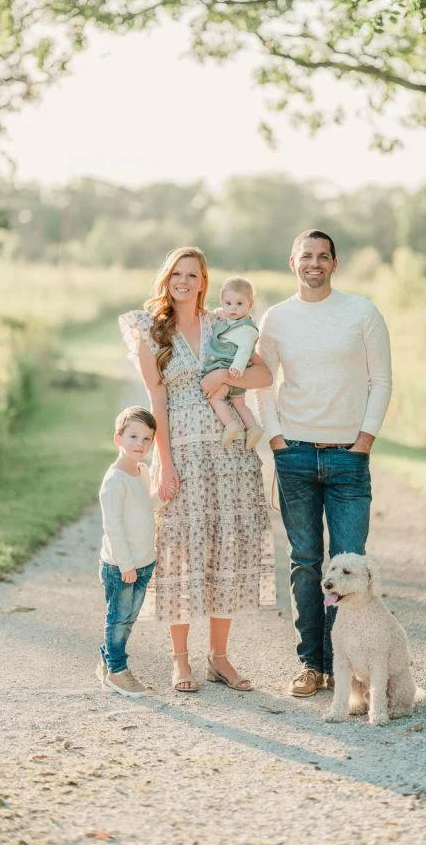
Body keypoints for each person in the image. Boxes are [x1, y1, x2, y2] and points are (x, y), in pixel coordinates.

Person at [119, 247, 276, 693]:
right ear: (167, 278)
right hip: (183, 456)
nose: (183, 281)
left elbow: (263, 376)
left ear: (204, 280)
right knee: (180, 553)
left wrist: (224, 378)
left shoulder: (222, 323)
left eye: (192, 274)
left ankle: (220, 658)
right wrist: (164, 463)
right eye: (176, 273)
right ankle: (181, 660)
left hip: (229, 459)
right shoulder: (151, 331)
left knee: (226, 548)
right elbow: (157, 401)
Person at [253, 230, 392, 698]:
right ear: (293, 261)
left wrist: (365, 438)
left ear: (335, 262)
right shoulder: (276, 318)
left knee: (350, 567)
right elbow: (262, 381)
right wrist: (275, 438)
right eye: (306, 255)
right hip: (293, 453)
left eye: (322, 256)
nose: (314, 263)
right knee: (306, 563)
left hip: (348, 458)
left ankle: (348, 672)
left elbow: (381, 380)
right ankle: (314, 664)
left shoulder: (362, 312)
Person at [97, 406, 164, 698]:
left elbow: (144, 506)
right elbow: (113, 526)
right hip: (121, 566)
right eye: (133, 436)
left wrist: (162, 496)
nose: (140, 443)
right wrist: (125, 564)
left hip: (143, 562)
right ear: (118, 439)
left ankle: (108, 659)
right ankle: (118, 672)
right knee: (118, 619)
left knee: (128, 619)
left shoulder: (142, 472)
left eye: (147, 439)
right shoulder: (114, 482)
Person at [203, 276, 264, 450]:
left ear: (250, 305)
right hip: (233, 374)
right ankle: (252, 427)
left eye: (239, 304)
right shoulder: (232, 320)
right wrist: (223, 311)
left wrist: (237, 367)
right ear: (222, 303)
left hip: (230, 372)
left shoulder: (246, 329)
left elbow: (245, 349)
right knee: (239, 403)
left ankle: (231, 425)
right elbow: (227, 318)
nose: (233, 308)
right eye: (228, 304)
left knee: (216, 397)